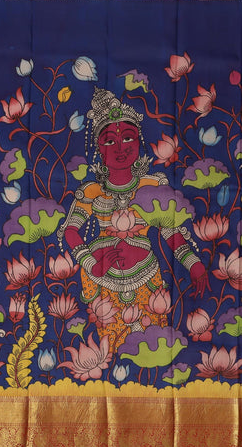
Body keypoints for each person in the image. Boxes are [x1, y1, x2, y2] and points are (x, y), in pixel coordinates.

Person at [59, 88, 208, 351]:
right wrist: (92, 264)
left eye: (128, 138)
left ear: (139, 143)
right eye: (109, 142)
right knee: (109, 351)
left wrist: (193, 263)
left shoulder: (153, 186)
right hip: (101, 281)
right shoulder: (91, 192)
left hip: (146, 279)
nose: (120, 148)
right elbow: (70, 231)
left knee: (152, 348)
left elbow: (169, 232)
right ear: (99, 149)